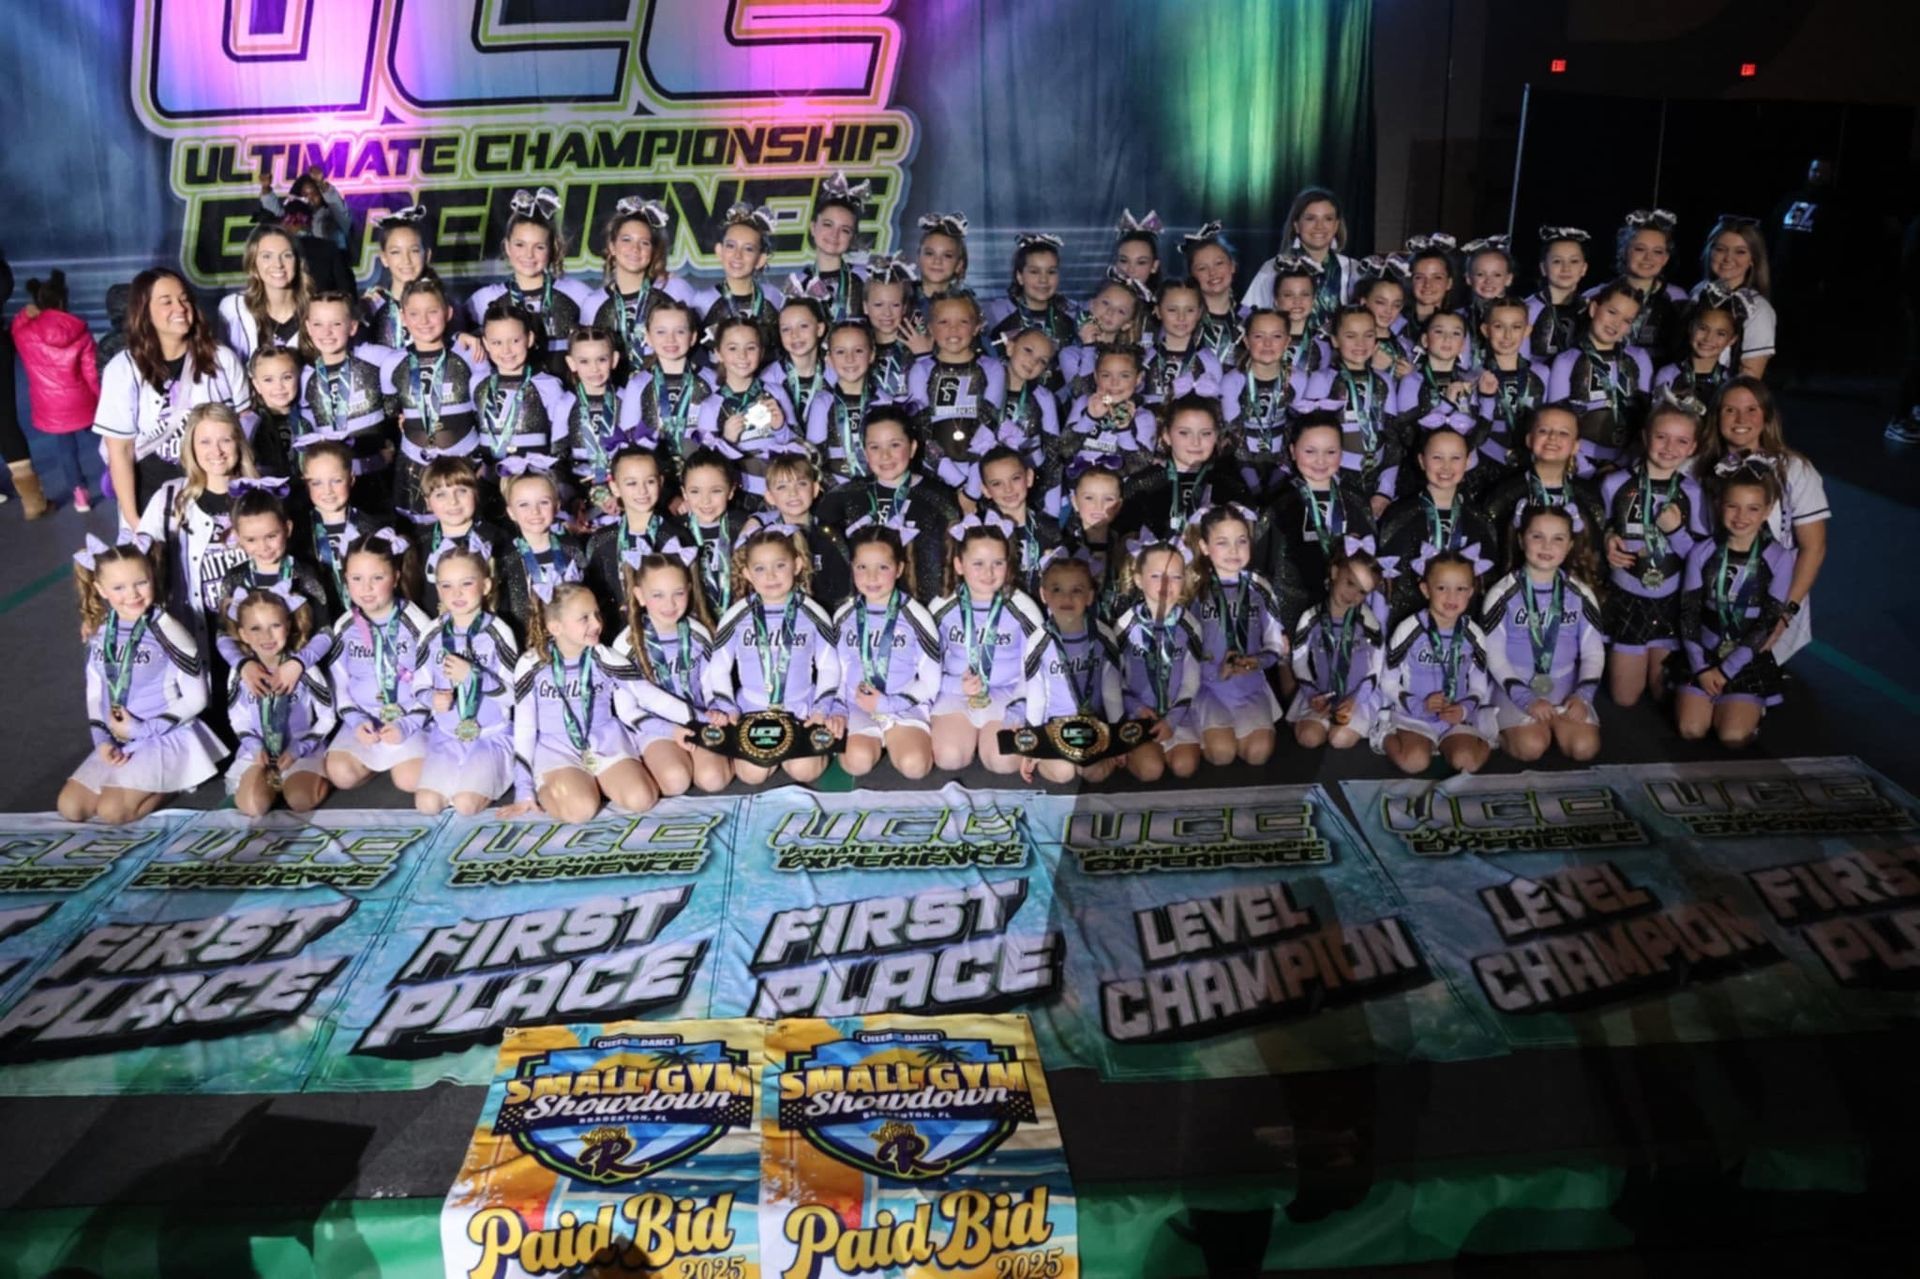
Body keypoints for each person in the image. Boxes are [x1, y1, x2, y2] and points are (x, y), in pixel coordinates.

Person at [58, 534, 226, 824]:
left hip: (164, 734)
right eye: (119, 587)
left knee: (113, 812)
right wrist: (101, 740)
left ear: (152, 577)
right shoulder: (100, 631)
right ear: (100, 589)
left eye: (141, 582)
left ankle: (180, 778)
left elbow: (198, 697)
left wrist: (143, 729)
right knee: (71, 807)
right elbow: (96, 692)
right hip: (122, 738)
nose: (133, 594)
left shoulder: (168, 630)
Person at [95, 267, 246, 527]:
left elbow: (244, 424)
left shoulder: (221, 358)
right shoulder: (122, 369)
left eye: (184, 298)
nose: (180, 307)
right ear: (144, 311)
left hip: (217, 492)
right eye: (166, 301)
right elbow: (120, 450)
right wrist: (134, 521)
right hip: (153, 493)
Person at [1694, 377, 1827, 664]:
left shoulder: (1795, 470)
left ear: (1766, 415)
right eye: (1729, 410)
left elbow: (1813, 547)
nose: (1741, 419)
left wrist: (1783, 613)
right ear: (1716, 417)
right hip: (1711, 600)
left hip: (1770, 600)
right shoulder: (1697, 467)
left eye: (1751, 409)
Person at [500, 582, 658, 822]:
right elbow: (524, 729)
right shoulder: (531, 664)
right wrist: (523, 790)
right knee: (579, 812)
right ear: (556, 627)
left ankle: (598, 781)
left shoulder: (603, 656)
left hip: (604, 740)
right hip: (557, 748)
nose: (596, 624)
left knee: (642, 799)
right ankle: (561, 785)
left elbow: (648, 696)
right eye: (584, 618)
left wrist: (691, 722)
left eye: (596, 614)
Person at [703, 525, 842, 785]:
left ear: (797, 564)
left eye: (780, 565)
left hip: (800, 706)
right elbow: (719, 667)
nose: (771, 576)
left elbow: (829, 668)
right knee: (752, 775)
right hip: (753, 708)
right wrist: (728, 707)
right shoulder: (737, 614)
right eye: (760, 569)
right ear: (746, 573)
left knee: (805, 771)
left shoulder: (812, 612)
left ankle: (808, 750)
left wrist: (822, 709)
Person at [1673, 461, 1796, 747]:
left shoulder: (1779, 557)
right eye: (1733, 506)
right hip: (1704, 652)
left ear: (1767, 510)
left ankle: (1749, 709)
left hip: (1746, 657)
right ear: (1719, 505)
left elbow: (1768, 620)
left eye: (1753, 508)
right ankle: (1711, 700)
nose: (1741, 516)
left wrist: (1727, 670)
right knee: (1691, 729)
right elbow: (1689, 612)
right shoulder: (1702, 552)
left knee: (1732, 737)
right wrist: (1701, 667)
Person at [1600, 394, 1708, 707]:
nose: (1669, 448)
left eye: (1681, 441)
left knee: (1665, 696)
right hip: (1627, 600)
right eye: (1661, 437)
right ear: (1646, 437)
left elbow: (1704, 559)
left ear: (1693, 448)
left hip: (1671, 603)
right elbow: (1602, 528)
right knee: (1624, 698)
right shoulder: (1615, 484)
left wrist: (1675, 532)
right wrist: (1607, 539)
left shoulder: (1694, 492)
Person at [607, 537, 733, 796]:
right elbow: (627, 709)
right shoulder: (626, 644)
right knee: (676, 781)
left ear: (689, 589)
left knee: (713, 780)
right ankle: (645, 764)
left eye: (678, 593)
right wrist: (670, 730)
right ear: (640, 595)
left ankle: (716, 758)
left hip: (699, 719)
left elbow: (711, 682)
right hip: (655, 728)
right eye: (658, 595)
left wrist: (715, 709)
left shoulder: (698, 634)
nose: (670, 604)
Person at [1479, 506, 1605, 763]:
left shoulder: (1580, 593)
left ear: (1570, 545)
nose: (1547, 546)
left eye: (1558, 538)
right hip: (1515, 685)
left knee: (1584, 748)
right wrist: (1525, 699)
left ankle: (1555, 725)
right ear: (1520, 538)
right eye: (1537, 536)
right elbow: (1494, 655)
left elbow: (1593, 652)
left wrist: (1582, 696)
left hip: (1565, 686)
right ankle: (1494, 727)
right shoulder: (1501, 593)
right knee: (1531, 747)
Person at [928, 514, 1047, 773]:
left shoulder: (1024, 607)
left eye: (998, 563)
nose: (988, 573)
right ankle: (964, 737)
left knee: (1003, 762)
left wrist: (1022, 711)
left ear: (1009, 564)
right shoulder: (941, 606)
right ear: (959, 564)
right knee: (949, 758)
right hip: (956, 692)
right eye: (978, 563)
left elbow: (1037, 669)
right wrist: (953, 684)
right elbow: (922, 663)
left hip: (1008, 694)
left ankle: (987, 739)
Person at [411, 538, 519, 815]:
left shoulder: (499, 632)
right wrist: (430, 697)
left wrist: (475, 676)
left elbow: (516, 695)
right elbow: (418, 685)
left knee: (465, 805)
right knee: (426, 805)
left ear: (485, 586)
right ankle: (462, 775)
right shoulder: (432, 632)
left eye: (466, 583)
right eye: (447, 585)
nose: (456, 593)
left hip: (490, 735)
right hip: (447, 736)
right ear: (438, 590)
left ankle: (494, 772)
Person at [323, 528, 432, 797]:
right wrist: (356, 721)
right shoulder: (345, 626)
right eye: (357, 579)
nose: (366, 588)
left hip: (410, 719)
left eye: (377, 578)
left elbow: (433, 681)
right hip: (366, 721)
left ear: (395, 577)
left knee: (409, 781)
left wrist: (408, 724)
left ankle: (406, 759)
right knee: (340, 775)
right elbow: (340, 686)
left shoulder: (416, 621)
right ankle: (371, 760)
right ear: (345, 579)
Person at [832, 518, 941, 780]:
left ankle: (898, 737)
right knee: (857, 763)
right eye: (862, 567)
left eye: (883, 567)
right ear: (852, 568)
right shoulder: (844, 614)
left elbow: (932, 679)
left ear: (899, 568)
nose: (871, 577)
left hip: (902, 703)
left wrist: (889, 704)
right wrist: (836, 707)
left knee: (915, 767)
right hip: (857, 705)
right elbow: (835, 669)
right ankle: (870, 739)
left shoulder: (915, 614)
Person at [814, 408, 961, 603]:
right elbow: (830, 566)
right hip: (861, 616)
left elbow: (949, 563)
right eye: (875, 447)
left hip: (921, 612)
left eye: (894, 445)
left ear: (913, 447)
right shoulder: (841, 499)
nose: (885, 456)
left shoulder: (938, 498)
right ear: (865, 452)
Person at [222, 582, 334, 817]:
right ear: (243, 634)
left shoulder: (304, 668)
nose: (267, 636)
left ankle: (303, 780)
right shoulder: (240, 673)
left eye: (275, 625)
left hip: (301, 749)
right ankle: (270, 785)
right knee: (254, 806)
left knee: (301, 801)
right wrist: (255, 748)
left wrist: (298, 748)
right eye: (256, 628)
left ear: (289, 625)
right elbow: (238, 719)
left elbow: (327, 717)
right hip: (260, 752)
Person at [1188, 503, 1287, 767]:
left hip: (1249, 686)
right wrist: (1212, 671)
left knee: (1258, 755)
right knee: (1222, 755)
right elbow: (1182, 648)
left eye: (1241, 541)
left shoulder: (1259, 585)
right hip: (1208, 686)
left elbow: (1275, 641)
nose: (1234, 551)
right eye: (1222, 542)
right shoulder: (1195, 588)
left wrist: (1258, 662)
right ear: (1205, 546)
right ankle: (1194, 730)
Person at [1379, 549, 1494, 775]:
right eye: (1442, 588)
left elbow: (1480, 686)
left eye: (1461, 589)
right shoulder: (1408, 629)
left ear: (1471, 591)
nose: (1452, 597)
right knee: (1414, 762)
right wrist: (1418, 705)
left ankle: (1463, 741)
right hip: (1414, 713)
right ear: (1425, 589)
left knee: (1467, 762)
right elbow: (1389, 681)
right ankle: (1384, 735)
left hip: (1456, 716)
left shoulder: (1474, 634)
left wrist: (1463, 709)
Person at [382, 276, 489, 517]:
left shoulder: (469, 354)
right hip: (413, 464)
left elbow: (488, 412)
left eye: (433, 312)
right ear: (403, 317)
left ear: (449, 313)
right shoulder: (392, 363)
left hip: (467, 460)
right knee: (420, 538)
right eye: (415, 313)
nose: (424, 321)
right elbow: (390, 413)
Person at [465, 187, 594, 375]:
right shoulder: (483, 300)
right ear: (507, 247)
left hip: (569, 399)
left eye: (539, 247)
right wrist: (461, 335)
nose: (528, 254)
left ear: (552, 248)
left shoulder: (578, 294)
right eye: (520, 245)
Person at [1023, 548, 1125, 784]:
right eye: (1057, 590)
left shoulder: (1103, 635)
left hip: (1094, 724)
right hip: (1054, 726)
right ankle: (1050, 760)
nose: (1067, 599)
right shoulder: (1039, 640)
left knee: (1093, 773)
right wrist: (1033, 744)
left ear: (1090, 596)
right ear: (1043, 594)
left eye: (1077, 590)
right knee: (1064, 773)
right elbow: (1036, 694)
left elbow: (1111, 692)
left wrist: (1119, 740)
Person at [1113, 534, 1205, 781]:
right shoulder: (1124, 626)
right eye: (1156, 576)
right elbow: (1112, 679)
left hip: (1177, 713)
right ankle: (1138, 751)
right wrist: (1136, 708)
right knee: (1151, 772)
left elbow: (1191, 680)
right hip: (1138, 714)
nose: (1167, 584)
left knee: (1185, 767)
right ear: (1138, 580)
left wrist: (1173, 720)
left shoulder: (1190, 625)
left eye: (1175, 576)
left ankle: (1166, 745)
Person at [10, 269, 101, 513]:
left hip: (51, 406)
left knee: (66, 449)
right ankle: (117, 480)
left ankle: (80, 495)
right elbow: (91, 371)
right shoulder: (79, 331)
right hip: (83, 401)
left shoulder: (24, 333)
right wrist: (100, 397)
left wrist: (24, 314)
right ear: (64, 300)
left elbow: (16, 326)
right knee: (105, 442)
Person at [297, 291, 396, 504]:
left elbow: (422, 355)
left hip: (377, 475)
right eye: (318, 324)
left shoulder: (375, 357)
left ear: (352, 327)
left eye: (336, 324)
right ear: (307, 327)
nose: (327, 332)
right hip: (331, 486)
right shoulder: (306, 377)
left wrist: (458, 337)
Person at [1287, 540, 1384, 751]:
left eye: (1362, 592)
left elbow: (1377, 664)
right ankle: (1311, 721)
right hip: (1321, 695)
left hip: (1356, 698)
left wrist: (1356, 699)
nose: (1352, 595)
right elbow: (1300, 660)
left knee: (1339, 739)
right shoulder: (1311, 617)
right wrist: (1312, 694)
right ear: (1334, 572)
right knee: (1309, 738)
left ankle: (1354, 721)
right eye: (1350, 583)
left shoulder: (1368, 620)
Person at [585, 197, 695, 372]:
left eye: (644, 243)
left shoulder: (675, 289)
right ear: (612, 247)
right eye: (626, 240)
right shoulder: (593, 303)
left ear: (653, 251)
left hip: (666, 393)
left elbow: (696, 351)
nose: (635, 249)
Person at [584, 442, 685, 624]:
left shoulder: (676, 537)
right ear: (614, 487)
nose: (642, 490)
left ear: (660, 482)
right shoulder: (601, 541)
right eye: (631, 483)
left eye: (650, 481)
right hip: (619, 639)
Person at [494, 457, 585, 641]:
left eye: (543, 502)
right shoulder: (505, 558)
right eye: (524, 504)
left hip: (573, 642)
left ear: (557, 506)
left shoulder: (572, 548)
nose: (535, 512)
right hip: (526, 645)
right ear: (511, 512)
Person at [1243, 187, 1357, 326]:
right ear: (1296, 225)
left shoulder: (1353, 270)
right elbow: (1248, 319)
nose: (1319, 226)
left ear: (1336, 225)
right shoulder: (1274, 268)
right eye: (1310, 218)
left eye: (1328, 219)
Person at [1592, 208, 1687, 360]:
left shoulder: (1678, 299)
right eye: (1640, 249)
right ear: (1625, 251)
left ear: (1665, 258)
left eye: (1657, 251)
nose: (1648, 257)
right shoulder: (1598, 295)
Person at [692, 203, 783, 358]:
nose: (737, 255)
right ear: (719, 251)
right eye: (731, 246)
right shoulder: (702, 301)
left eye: (748, 249)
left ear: (761, 259)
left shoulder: (775, 298)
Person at [1692, 215, 1777, 377]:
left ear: (1753, 259)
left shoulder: (1759, 309)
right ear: (1710, 251)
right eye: (1720, 249)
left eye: (1740, 252)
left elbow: (1750, 376)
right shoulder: (1698, 292)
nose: (1728, 258)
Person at [218, 223, 310, 360]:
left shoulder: (316, 310)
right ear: (253, 262)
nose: (278, 264)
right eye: (267, 256)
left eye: (287, 255)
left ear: (298, 261)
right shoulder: (233, 308)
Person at [983, 233, 1077, 348]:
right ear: (1020, 277)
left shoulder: (1072, 313)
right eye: (1034, 272)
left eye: (1051, 272)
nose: (1043, 280)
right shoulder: (994, 313)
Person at [799, 173, 870, 323]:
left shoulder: (863, 280)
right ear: (813, 227)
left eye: (845, 230)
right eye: (828, 224)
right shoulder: (799, 283)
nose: (834, 234)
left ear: (852, 237)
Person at [362, 207, 435, 349]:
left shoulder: (441, 303)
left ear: (427, 255)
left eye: (414, 251)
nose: (406, 260)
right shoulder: (372, 305)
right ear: (384, 258)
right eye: (396, 252)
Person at [1182, 223, 1245, 366]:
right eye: (1202, 268)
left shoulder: (1248, 318)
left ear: (1233, 266)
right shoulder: (1184, 319)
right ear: (1192, 275)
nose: (1212, 273)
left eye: (1219, 263)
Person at [1527, 226, 1592, 364]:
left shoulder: (1590, 309)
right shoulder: (1528, 309)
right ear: (1544, 268)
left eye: (1574, 261)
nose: (1566, 268)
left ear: (1584, 268)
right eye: (1557, 261)